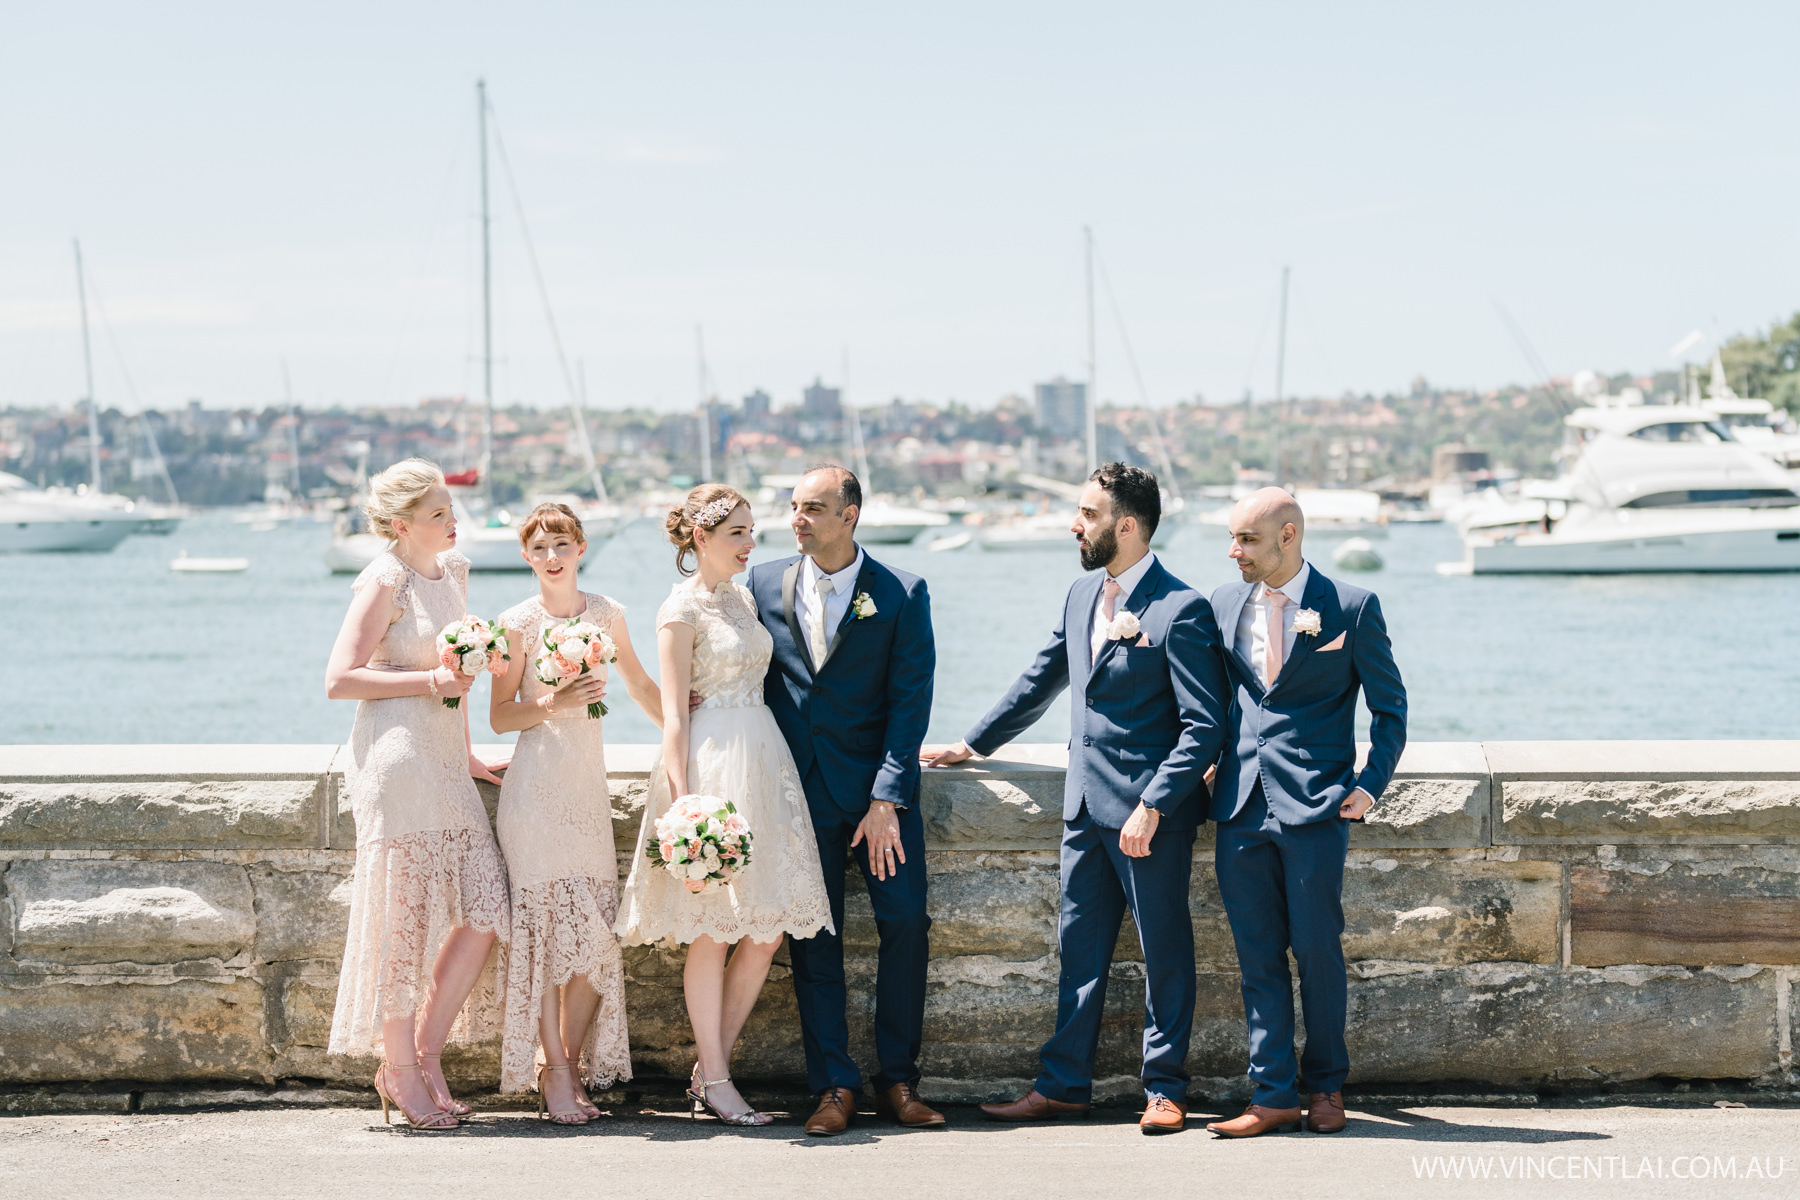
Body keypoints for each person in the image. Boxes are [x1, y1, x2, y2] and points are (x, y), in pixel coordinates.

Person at [925, 464, 1228, 1135]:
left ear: (1126, 525)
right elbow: (1042, 676)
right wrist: (973, 744)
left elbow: (1206, 727)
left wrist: (1155, 804)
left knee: (1166, 953)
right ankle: (1063, 1086)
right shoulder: (1079, 593)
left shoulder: (1182, 609)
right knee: (1078, 953)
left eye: (1087, 514)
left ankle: (1165, 1088)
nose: (1074, 524)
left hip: (1150, 818)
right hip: (1082, 811)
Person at [615, 484, 833, 1127]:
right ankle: (716, 1078)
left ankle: (709, 1071)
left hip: (763, 760)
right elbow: (674, 719)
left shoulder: (743, 598)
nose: (750, 542)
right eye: (737, 532)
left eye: (750, 529)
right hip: (710, 767)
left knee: (765, 931)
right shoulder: (678, 611)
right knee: (712, 929)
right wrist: (683, 805)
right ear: (700, 540)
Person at [1202, 487, 1407, 1138]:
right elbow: (1214, 700)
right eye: (1232, 539)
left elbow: (1390, 710)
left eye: (1247, 540)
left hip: (1317, 808)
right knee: (1256, 957)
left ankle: (1325, 1089)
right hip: (1238, 805)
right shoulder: (1223, 603)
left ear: (1288, 537)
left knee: (1318, 952)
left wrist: (1369, 786)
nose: (1234, 552)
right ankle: (1271, 1095)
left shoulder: (1351, 606)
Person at [746, 465, 940, 1136]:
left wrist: (887, 796)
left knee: (907, 922)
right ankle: (833, 1085)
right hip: (797, 795)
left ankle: (898, 1080)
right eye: (795, 507)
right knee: (814, 942)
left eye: (815, 509)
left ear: (850, 515)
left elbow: (910, 701)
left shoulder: (901, 591)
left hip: (877, 801)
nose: (798, 519)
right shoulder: (762, 584)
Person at [323, 458, 510, 1131]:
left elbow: (459, 676)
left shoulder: (453, 574)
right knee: (402, 923)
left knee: (487, 903)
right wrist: (428, 682)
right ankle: (400, 1071)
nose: (452, 520)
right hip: (396, 763)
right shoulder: (384, 578)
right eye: (438, 513)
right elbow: (340, 679)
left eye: (450, 510)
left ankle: (424, 1053)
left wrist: (467, 756)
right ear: (402, 525)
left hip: (442, 762)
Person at [489, 503, 662, 1125]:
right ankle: (557, 1074)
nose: (551, 555)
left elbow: (640, 684)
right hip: (533, 795)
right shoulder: (514, 623)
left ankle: (560, 1067)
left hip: (586, 798)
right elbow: (500, 716)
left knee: (595, 941)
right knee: (539, 941)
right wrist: (554, 699)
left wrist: (691, 730)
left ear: (581, 546)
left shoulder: (607, 612)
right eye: (539, 547)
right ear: (528, 557)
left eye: (560, 542)